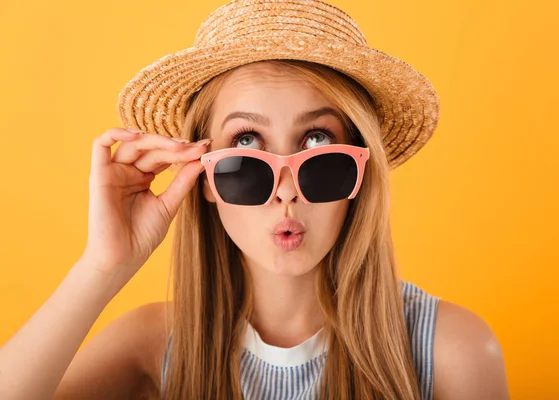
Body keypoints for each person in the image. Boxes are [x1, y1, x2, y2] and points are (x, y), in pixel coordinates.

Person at [0, 0, 510, 399]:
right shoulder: (151, 347)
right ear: (205, 177)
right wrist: (101, 267)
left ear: (359, 168)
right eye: (246, 143)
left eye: (316, 142)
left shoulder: (452, 351)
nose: (286, 189)